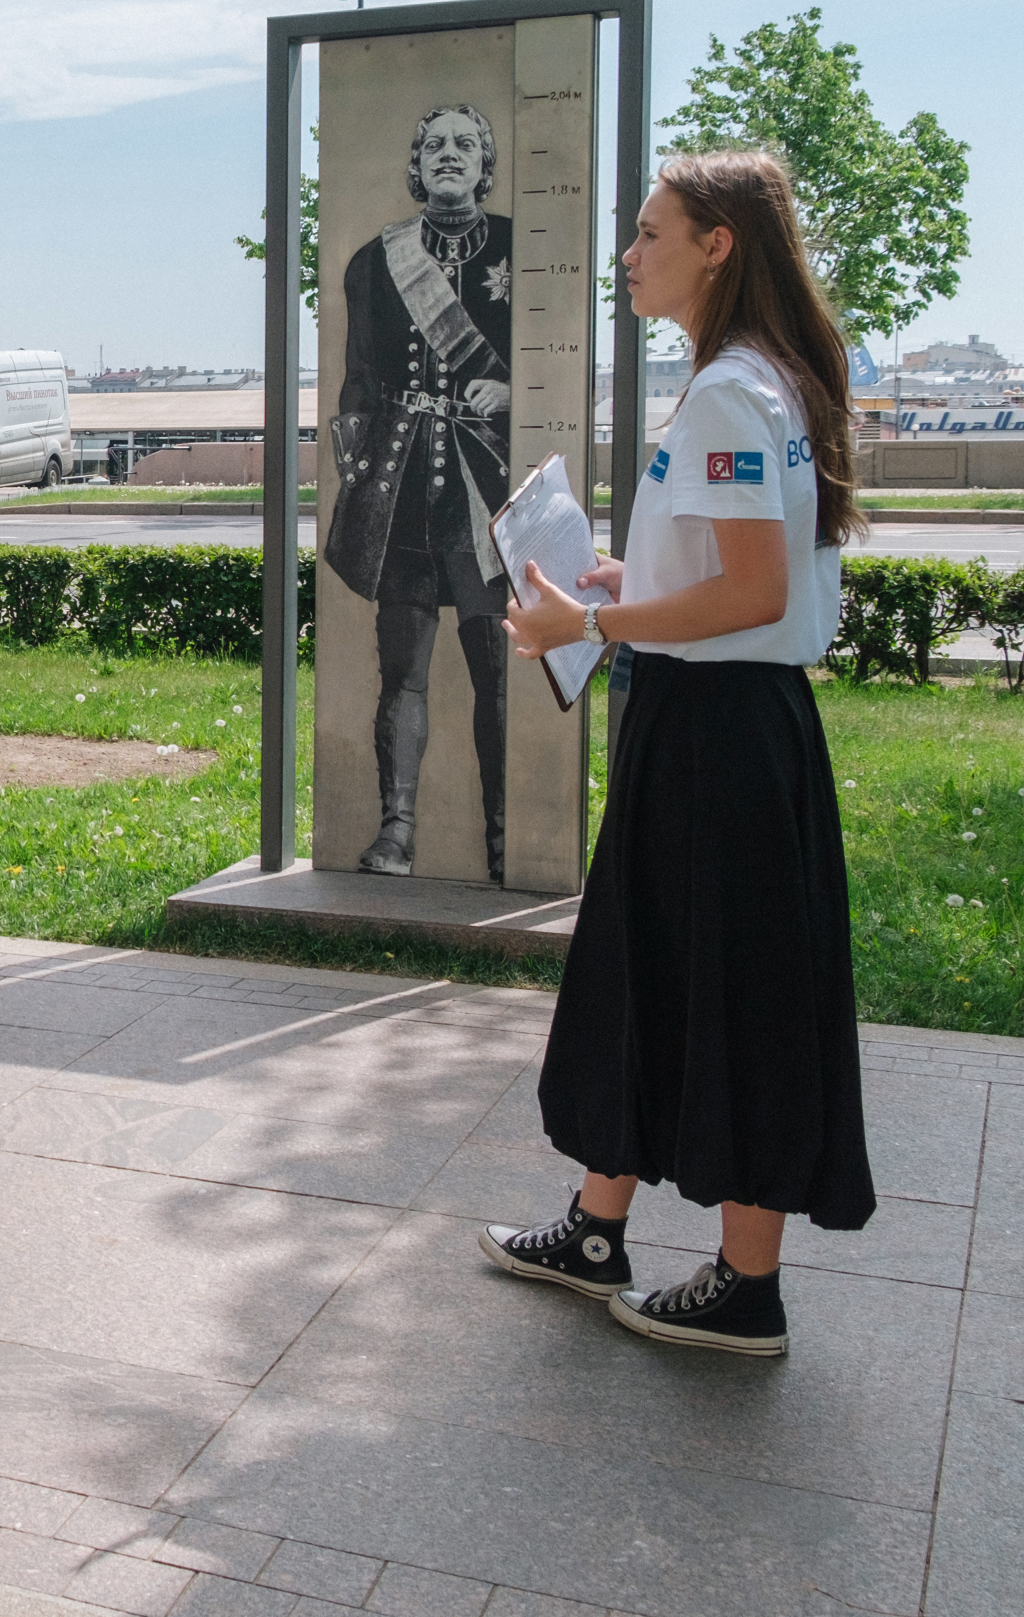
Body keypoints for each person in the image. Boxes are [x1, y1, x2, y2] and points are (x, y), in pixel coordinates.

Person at [481, 151, 874, 1357]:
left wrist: (588, 620)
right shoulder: (762, 379)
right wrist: (629, 577)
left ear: (719, 246)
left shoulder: (728, 392)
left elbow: (753, 594)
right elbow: (732, 574)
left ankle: (747, 1285)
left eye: (651, 233)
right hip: (719, 728)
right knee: (645, 965)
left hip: (722, 735)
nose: (628, 255)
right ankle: (600, 1228)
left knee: (736, 990)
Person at [322, 104, 515, 882]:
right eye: (434, 145)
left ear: (484, 164)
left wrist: (512, 395)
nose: (448, 156)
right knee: (401, 667)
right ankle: (396, 831)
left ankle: (504, 835)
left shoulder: (514, 249)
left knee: (493, 666)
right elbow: (360, 380)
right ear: (416, 163)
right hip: (404, 485)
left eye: (464, 145)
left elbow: (546, 367)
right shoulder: (376, 261)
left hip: (485, 485)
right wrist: (354, 455)